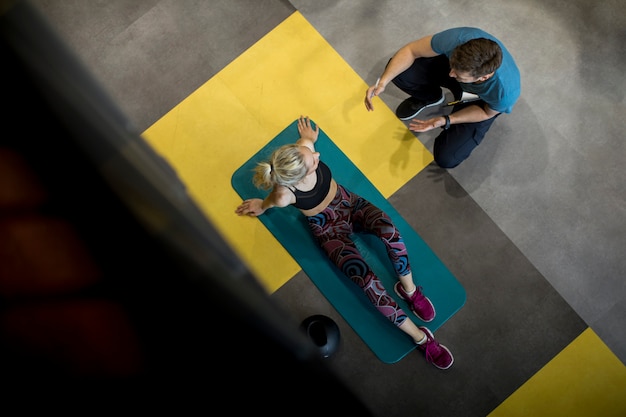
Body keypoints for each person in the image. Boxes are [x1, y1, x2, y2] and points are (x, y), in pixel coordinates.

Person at [235, 115, 454, 369]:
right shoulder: (285, 195)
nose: (316, 156)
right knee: (368, 283)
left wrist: (309, 138)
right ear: (296, 178)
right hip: (328, 231)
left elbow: (307, 142)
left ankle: (410, 291)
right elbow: (270, 201)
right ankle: (420, 337)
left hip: (349, 204)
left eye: (310, 154)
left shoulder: (303, 151)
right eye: (312, 161)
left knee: (390, 231)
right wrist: (261, 206)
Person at [364, 27, 521, 168]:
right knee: (401, 72)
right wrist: (382, 83)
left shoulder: (504, 93)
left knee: (447, 158)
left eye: (457, 74)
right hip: (464, 73)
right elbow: (411, 51)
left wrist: (446, 119)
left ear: (483, 78)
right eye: (452, 67)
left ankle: (455, 108)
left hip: (479, 99)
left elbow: (486, 113)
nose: (450, 74)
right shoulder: (459, 39)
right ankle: (431, 97)